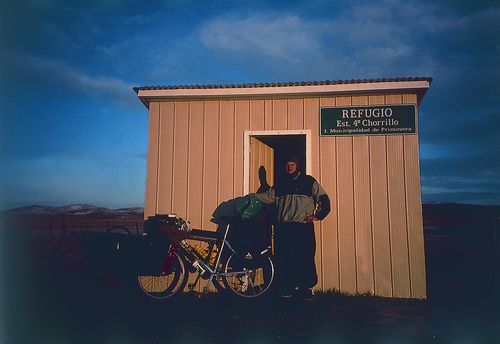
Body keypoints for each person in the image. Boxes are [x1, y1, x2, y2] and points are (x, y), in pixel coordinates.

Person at [252, 155, 330, 300]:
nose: (289, 167)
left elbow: (324, 199)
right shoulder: (280, 183)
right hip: (283, 228)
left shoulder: (309, 181)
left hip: (303, 228)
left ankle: (305, 289)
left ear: (297, 166)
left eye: (292, 164)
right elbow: (267, 197)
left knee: (305, 258)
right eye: (287, 164)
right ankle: (286, 288)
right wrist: (251, 197)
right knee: (283, 258)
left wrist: (318, 216)